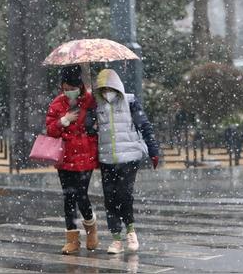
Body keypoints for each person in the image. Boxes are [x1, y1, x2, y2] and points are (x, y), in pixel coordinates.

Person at [94, 69, 159, 254]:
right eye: (103, 88)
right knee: (110, 198)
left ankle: (130, 231)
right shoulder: (96, 105)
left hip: (129, 157)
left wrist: (153, 150)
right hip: (107, 159)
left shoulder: (130, 101)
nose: (107, 91)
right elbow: (90, 130)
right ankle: (116, 238)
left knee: (124, 194)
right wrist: (92, 124)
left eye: (110, 87)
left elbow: (144, 126)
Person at [45, 65, 99, 255]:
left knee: (81, 195)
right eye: (65, 88)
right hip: (65, 157)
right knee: (69, 197)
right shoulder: (57, 104)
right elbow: (50, 130)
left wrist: (92, 121)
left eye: (71, 88)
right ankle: (72, 239)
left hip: (86, 155)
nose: (68, 92)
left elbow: (99, 122)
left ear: (80, 85)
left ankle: (91, 227)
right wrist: (64, 120)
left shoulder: (91, 101)